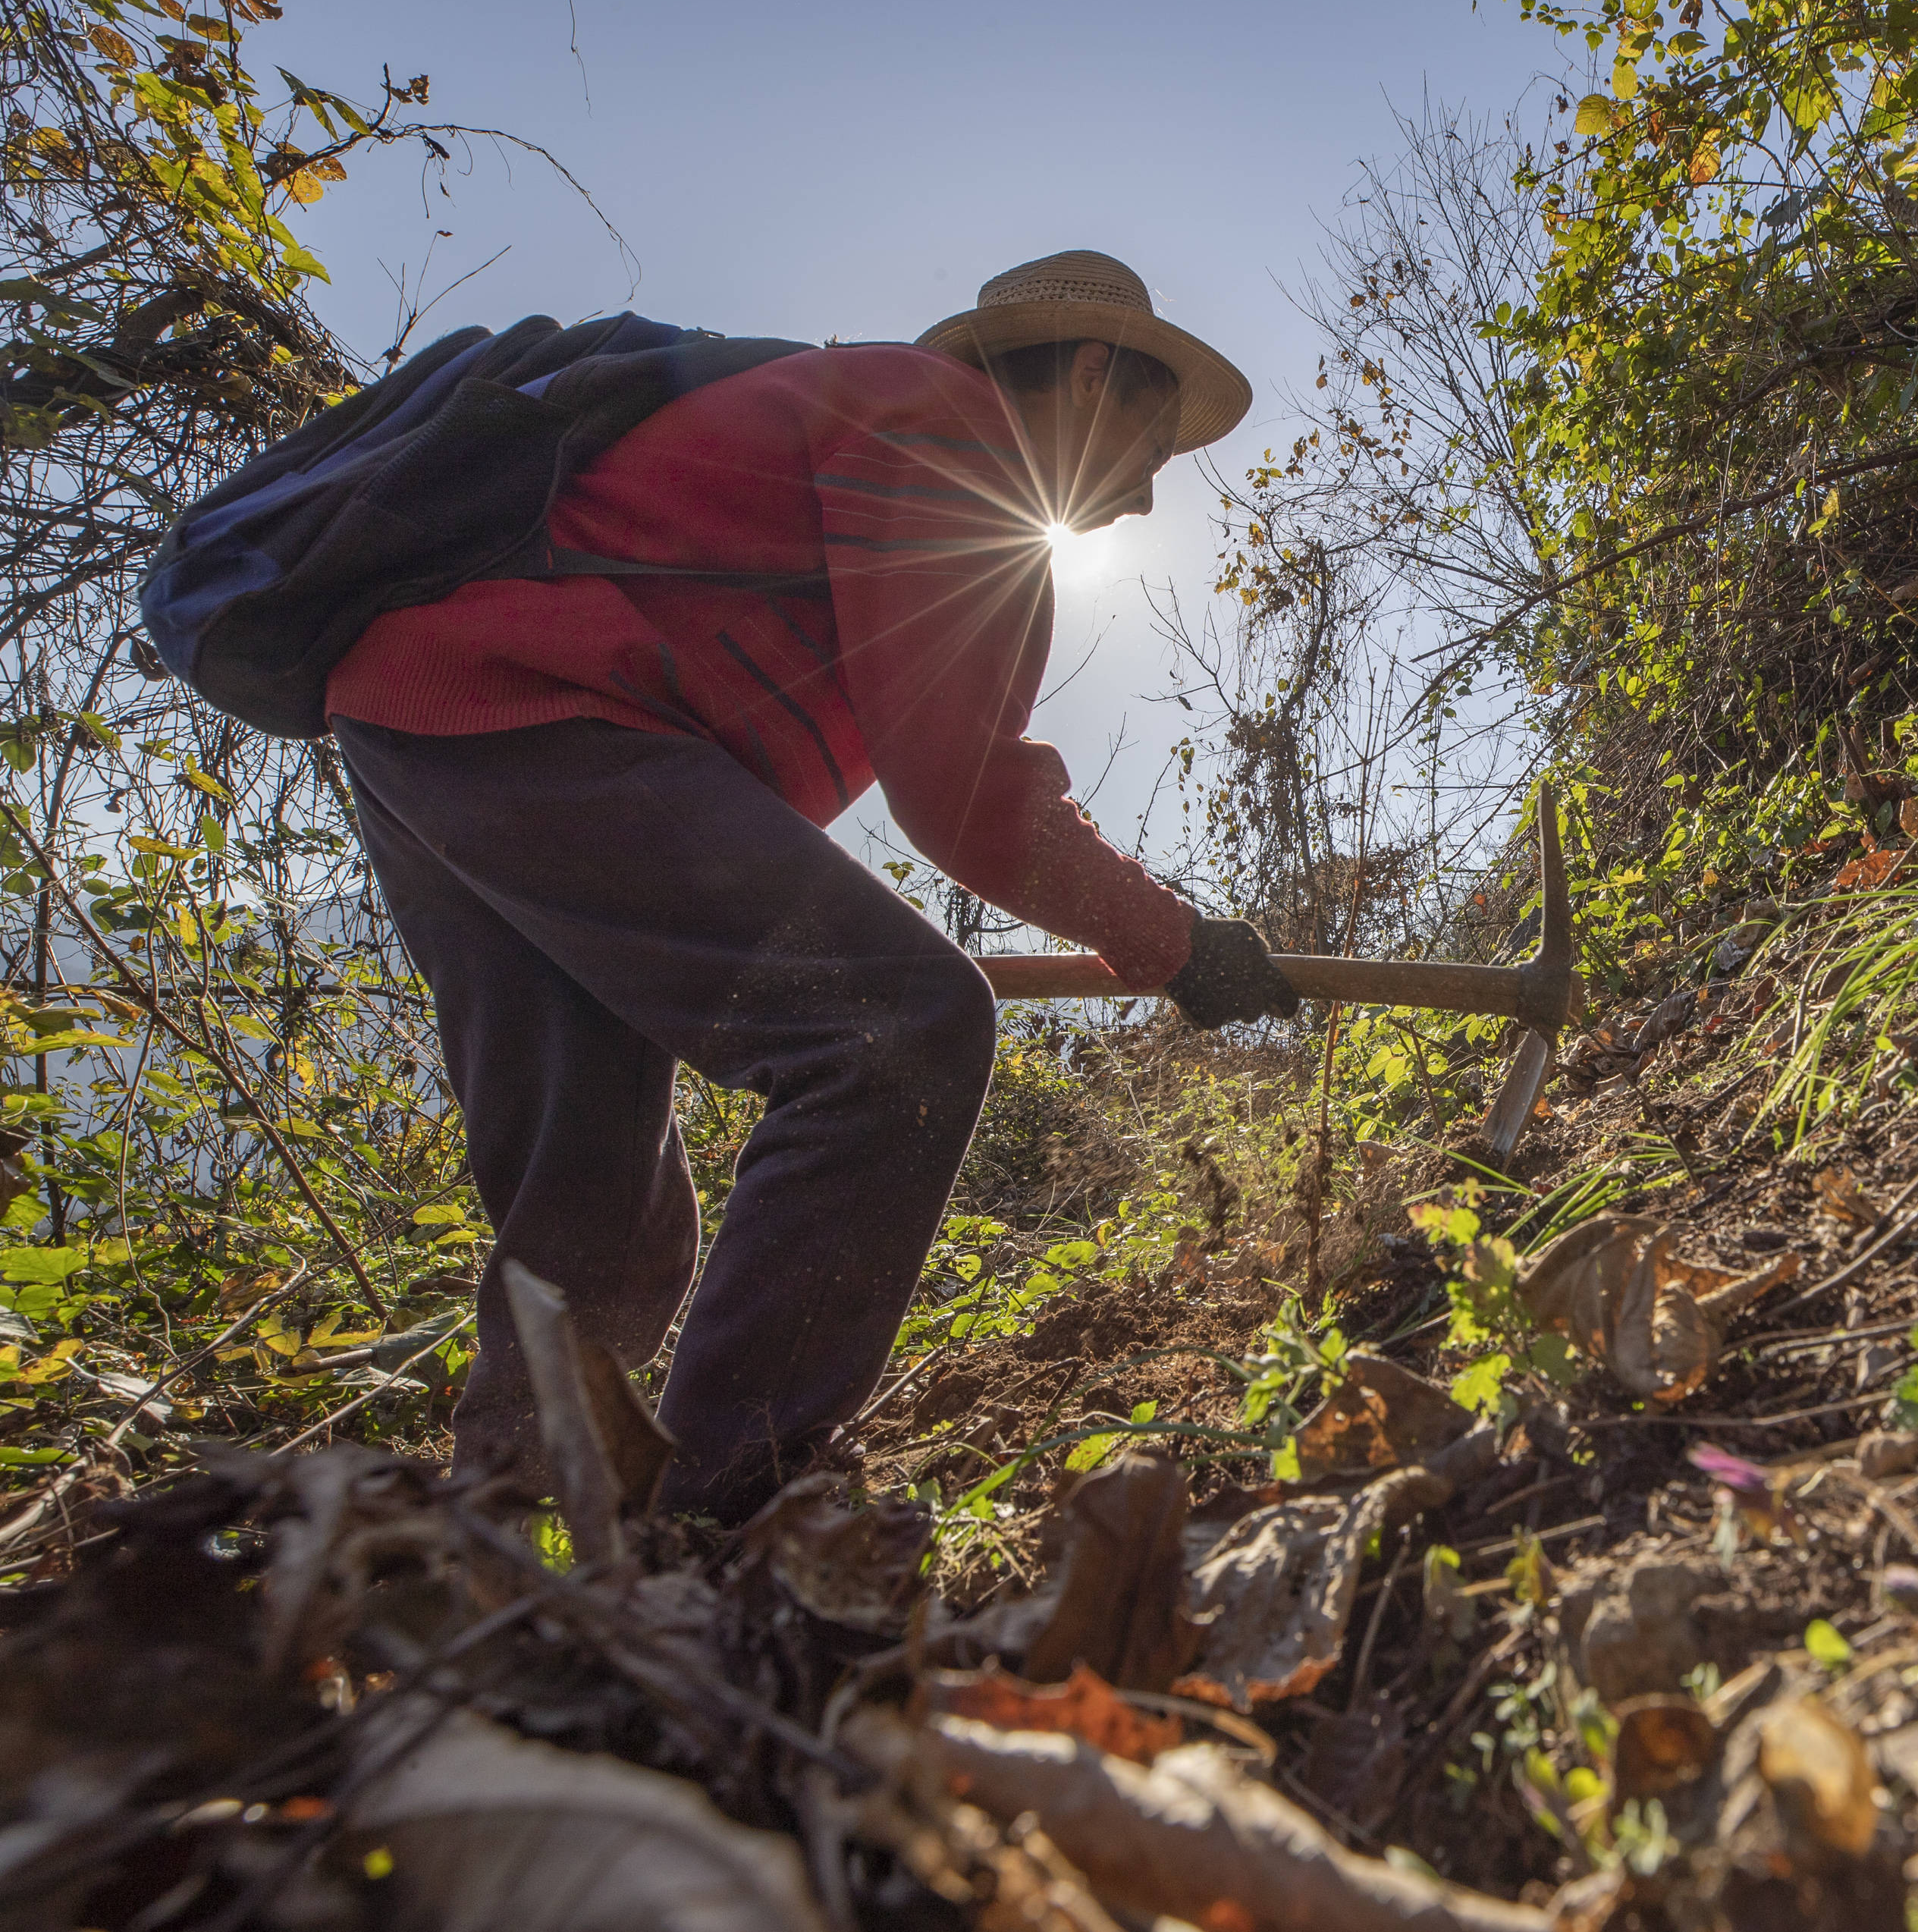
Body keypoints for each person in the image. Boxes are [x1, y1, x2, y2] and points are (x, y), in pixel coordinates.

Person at [322, 251, 1300, 1523]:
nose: (1144, 497)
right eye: (1153, 446)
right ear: (1097, 372)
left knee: (592, 1206)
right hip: (544, 717)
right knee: (900, 1035)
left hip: (429, 723)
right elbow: (964, 791)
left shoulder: (865, 419)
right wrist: (1179, 944)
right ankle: (732, 1511)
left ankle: (494, 1565)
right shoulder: (948, 433)